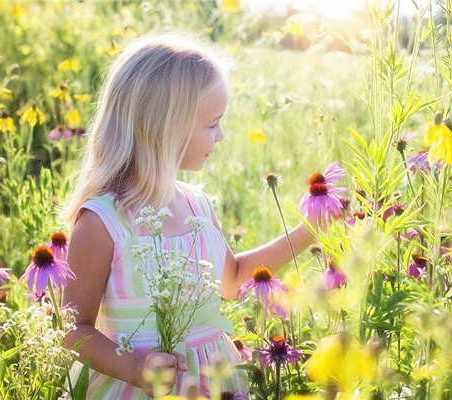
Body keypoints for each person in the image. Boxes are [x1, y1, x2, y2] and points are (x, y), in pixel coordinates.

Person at [62, 34, 317, 399]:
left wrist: (310, 231)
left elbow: (232, 281)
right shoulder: (103, 222)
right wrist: (135, 368)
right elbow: (74, 330)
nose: (222, 135)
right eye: (212, 124)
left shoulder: (198, 205)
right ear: (165, 129)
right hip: (135, 387)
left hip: (215, 382)